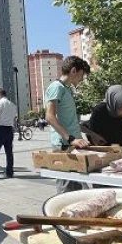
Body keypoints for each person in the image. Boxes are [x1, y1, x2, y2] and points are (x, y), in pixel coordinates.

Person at [44, 56, 91, 193]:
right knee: (66, 188)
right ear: (74, 71)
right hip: (64, 144)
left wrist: (92, 134)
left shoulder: (67, 89)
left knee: (78, 188)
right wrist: (70, 138)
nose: (82, 79)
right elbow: (49, 116)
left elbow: (71, 121)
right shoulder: (56, 87)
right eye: (82, 75)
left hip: (74, 143)